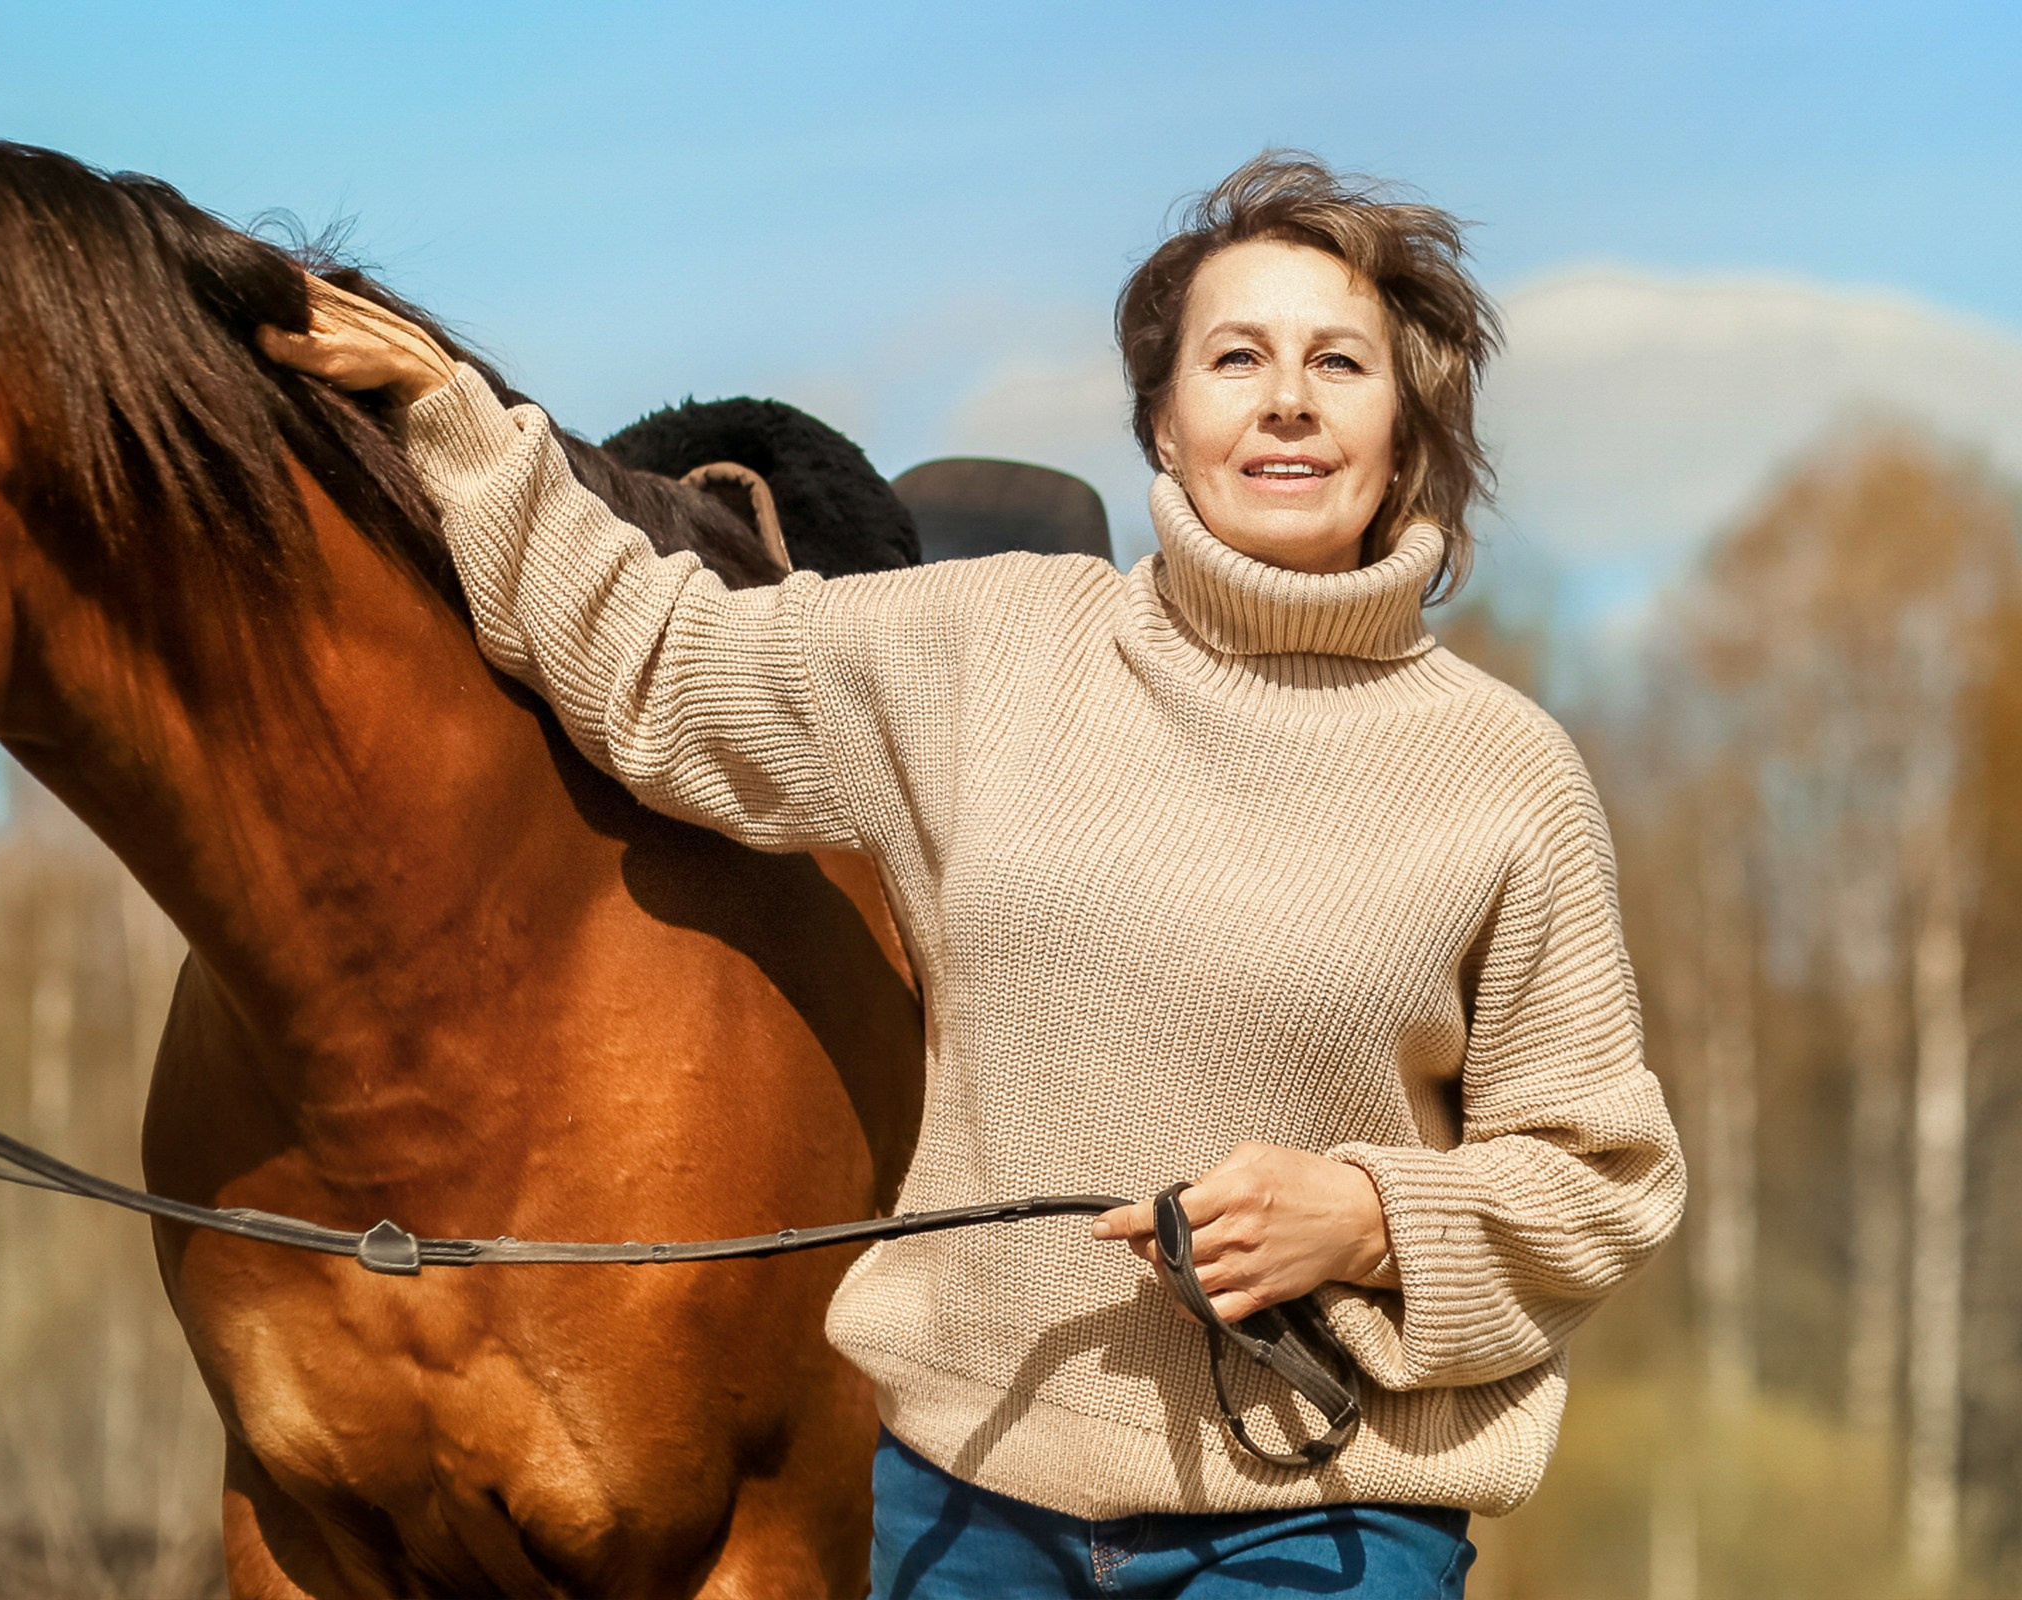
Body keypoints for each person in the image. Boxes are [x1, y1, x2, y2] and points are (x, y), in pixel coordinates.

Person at [261, 152, 1685, 1599]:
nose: (1287, 401)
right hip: (967, 1514)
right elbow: (660, 661)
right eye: (1234, 356)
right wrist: (452, 421)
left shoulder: (1506, 774)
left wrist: (1369, 1218)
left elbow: (1603, 1182)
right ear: (1164, 422)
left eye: (1340, 362)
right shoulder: (987, 650)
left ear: (1409, 430)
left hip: (1316, 1532)